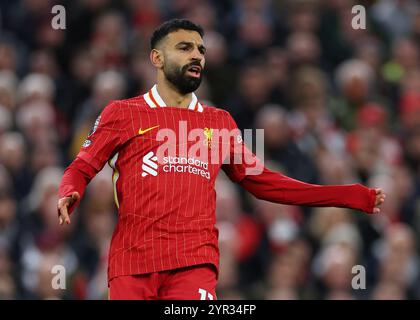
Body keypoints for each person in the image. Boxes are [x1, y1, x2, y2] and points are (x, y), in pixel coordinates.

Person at [57, 19, 386, 300]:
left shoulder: (220, 123)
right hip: (132, 263)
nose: (196, 55)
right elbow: (82, 166)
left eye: (201, 50)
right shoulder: (122, 113)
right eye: (184, 48)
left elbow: (266, 183)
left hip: (193, 264)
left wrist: (346, 195)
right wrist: (70, 189)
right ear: (156, 58)